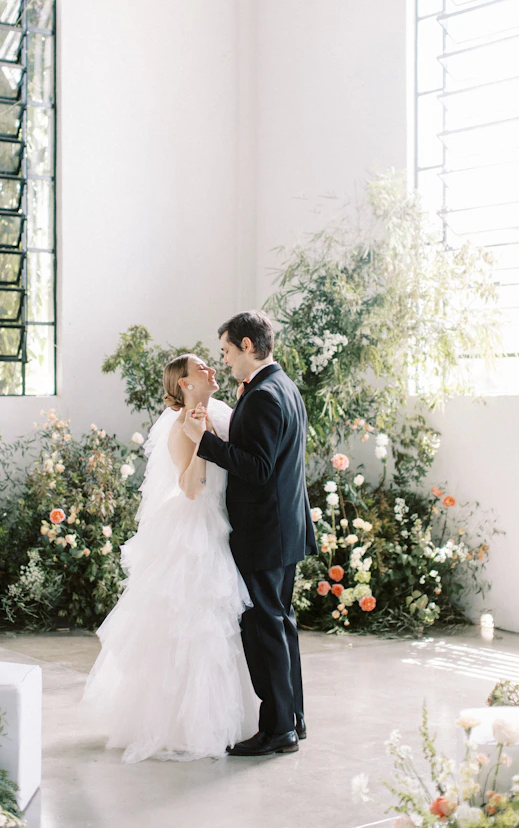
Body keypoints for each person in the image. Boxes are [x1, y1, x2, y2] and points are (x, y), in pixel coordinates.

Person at [83, 354, 258, 763]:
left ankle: (229, 720)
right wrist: (200, 440)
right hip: (193, 530)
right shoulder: (181, 427)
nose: (212, 370)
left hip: (221, 523)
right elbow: (192, 487)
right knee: (194, 625)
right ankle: (184, 725)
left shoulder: (219, 412)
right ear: (183, 383)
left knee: (218, 627)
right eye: (201, 368)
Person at [183, 310, 317, 756]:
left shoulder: (262, 395)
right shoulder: (283, 386)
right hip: (283, 529)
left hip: (264, 532)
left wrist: (206, 443)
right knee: (281, 625)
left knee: (264, 628)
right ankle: (292, 717)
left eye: (225, 350)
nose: (224, 361)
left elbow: (258, 469)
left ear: (246, 345)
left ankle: (278, 728)